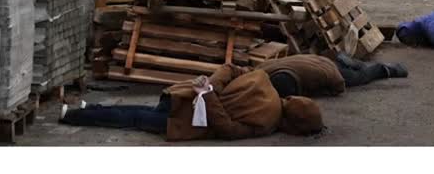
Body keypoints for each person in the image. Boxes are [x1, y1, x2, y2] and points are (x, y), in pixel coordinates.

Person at [59, 64, 323, 141]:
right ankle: (73, 116)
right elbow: (228, 130)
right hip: (188, 120)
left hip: (184, 95)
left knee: (139, 111)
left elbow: (230, 68)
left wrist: (210, 86)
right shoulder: (267, 123)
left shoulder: (263, 79)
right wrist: (209, 94)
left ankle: (87, 109)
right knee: (135, 119)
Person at [255, 53, 408, 98]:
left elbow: (338, 85)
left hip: (327, 68)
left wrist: (328, 92)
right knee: (346, 69)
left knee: (358, 78)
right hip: (315, 59)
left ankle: (387, 69)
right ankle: (346, 61)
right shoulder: (263, 70)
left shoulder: (317, 75)